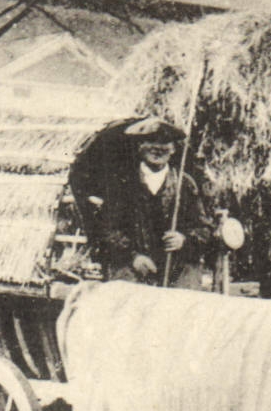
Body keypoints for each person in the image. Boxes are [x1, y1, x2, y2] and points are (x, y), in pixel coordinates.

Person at [83, 117, 216, 289]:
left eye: (164, 143)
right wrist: (133, 256)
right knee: (125, 291)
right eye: (151, 142)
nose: (157, 149)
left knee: (184, 293)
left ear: (173, 149)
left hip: (176, 267)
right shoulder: (122, 184)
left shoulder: (185, 184)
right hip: (133, 266)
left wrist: (183, 240)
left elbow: (204, 229)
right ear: (140, 146)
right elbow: (107, 229)